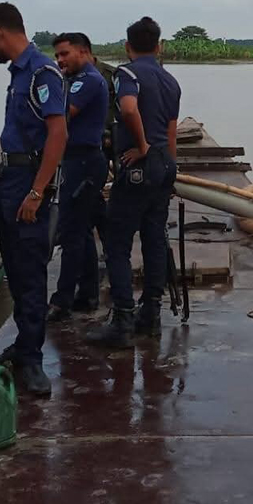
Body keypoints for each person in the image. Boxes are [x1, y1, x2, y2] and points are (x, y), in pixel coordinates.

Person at [0, 3, 67, 395]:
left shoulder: (42, 72)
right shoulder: (18, 75)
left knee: (31, 272)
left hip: (28, 180)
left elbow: (58, 135)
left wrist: (37, 191)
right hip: (9, 178)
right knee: (14, 270)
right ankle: (22, 345)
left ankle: (32, 361)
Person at [87, 17, 181, 348]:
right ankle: (150, 315)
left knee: (117, 242)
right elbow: (171, 133)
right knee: (155, 238)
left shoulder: (127, 74)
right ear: (159, 46)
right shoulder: (170, 82)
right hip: (163, 168)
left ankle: (123, 319)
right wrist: (170, 169)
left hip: (138, 167)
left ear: (127, 47)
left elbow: (128, 109)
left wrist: (140, 146)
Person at [48, 32, 109, 320]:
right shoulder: (74, 80)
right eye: (57, 56)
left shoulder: (88, 80)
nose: (59, 60)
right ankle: (87, 295)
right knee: (81, 231)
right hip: (77, 160)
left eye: (64, 54)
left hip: (84, 161)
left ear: (83, 52)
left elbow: (61, 112)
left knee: (71, 231)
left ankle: (61, 301)